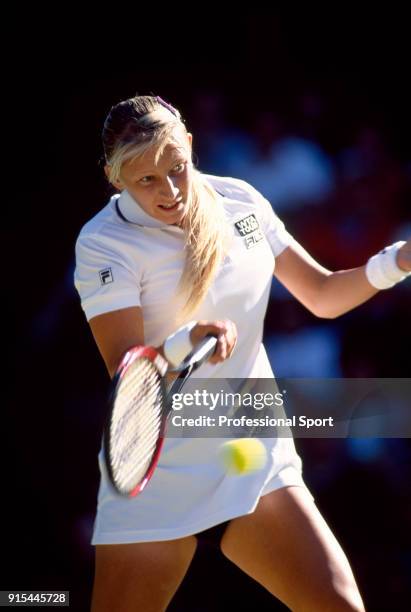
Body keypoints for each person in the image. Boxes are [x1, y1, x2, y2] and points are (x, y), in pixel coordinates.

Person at [74, 94, 410, 612]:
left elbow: (320, 294)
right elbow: (128, 367)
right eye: (146, 181)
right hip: (159, 471)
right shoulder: (102, 244)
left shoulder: (243, 203)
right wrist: (188, 339)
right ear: (115, 178)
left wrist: (398, 261)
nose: (170, 191)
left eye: (177, 169)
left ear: (189, 145)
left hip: (255, 452)